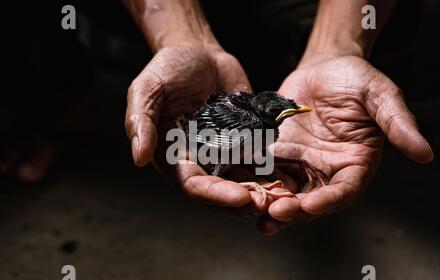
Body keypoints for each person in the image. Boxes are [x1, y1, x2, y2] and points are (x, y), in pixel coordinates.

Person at [123, 0, 433, 234]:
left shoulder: (262, 126)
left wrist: (337, 48)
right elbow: (210, 139)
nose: (293, 112)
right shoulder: (252, 126)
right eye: (282, 111)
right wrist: (182, 36)